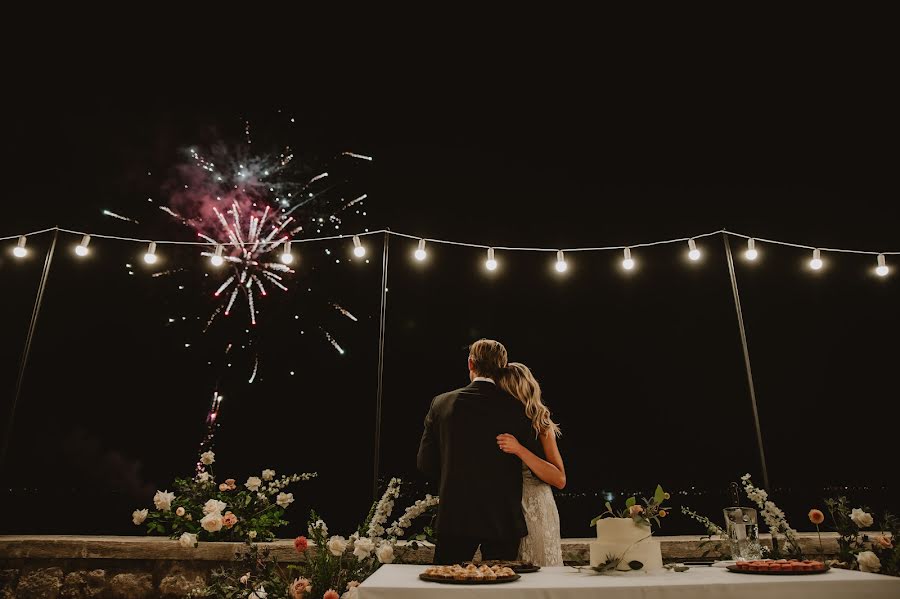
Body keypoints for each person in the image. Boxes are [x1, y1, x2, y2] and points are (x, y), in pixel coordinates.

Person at [417, 339, 544, 565]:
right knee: (500, 589)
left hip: (455, 516)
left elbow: (425, 464)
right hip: (502, 519)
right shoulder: (519, 408)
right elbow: (534, 465)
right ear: (503, 366)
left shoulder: (442, 404)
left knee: (447, 587)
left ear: (470, 363)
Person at [496, 362, 565, 566]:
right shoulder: (496, 422)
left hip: (536, 509)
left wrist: (519, 449)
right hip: (504, 512)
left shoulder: (541, 424)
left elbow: (559, 479)